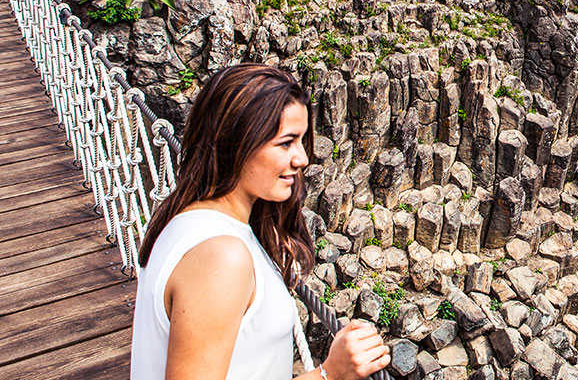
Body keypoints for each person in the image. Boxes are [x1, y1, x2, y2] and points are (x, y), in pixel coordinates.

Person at [130, 64, 390, 379]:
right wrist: (330, 373)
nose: (302, 159)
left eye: (301, 140)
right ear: (236, 142)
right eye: (286, 142)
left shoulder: (180, 219)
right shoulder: (222, 257)